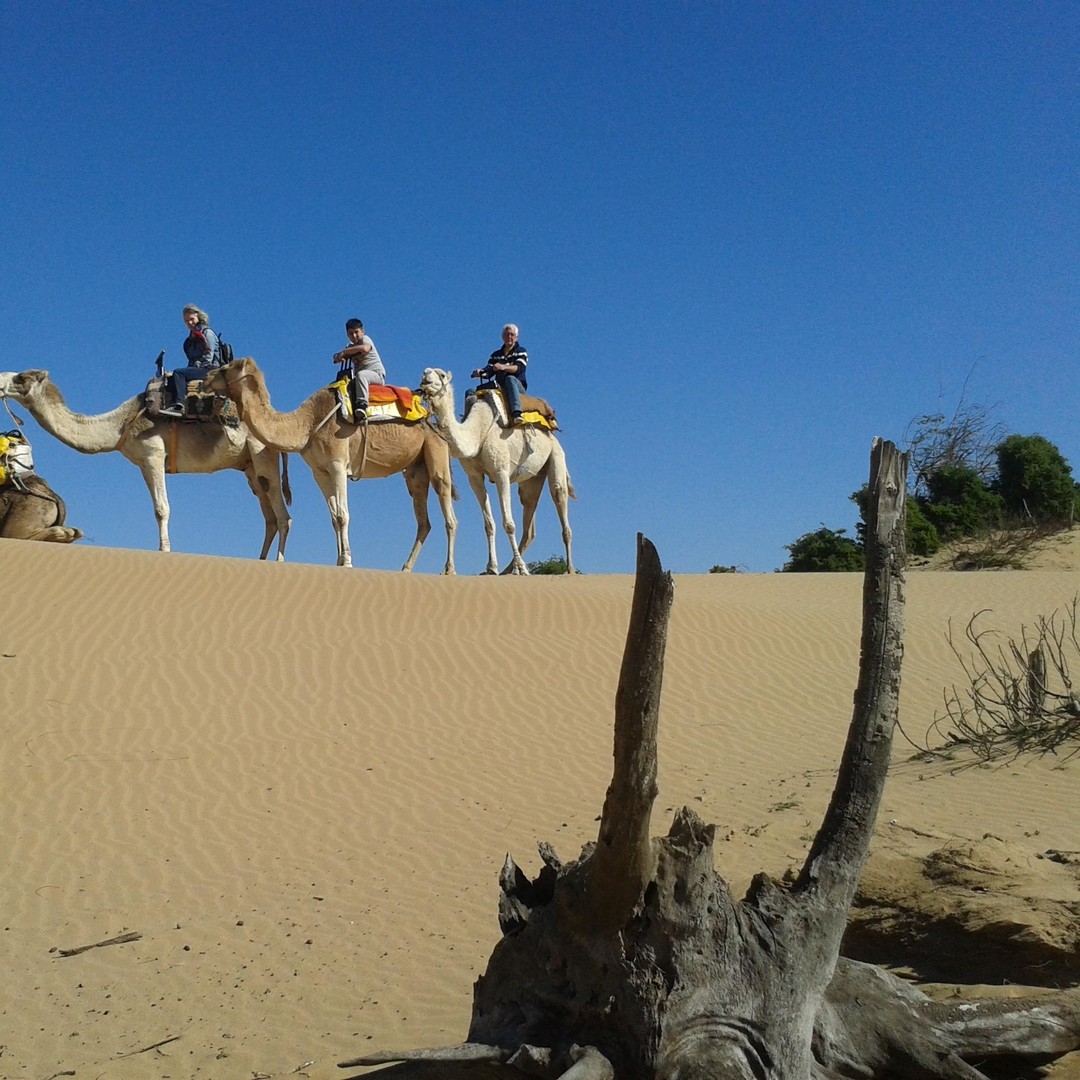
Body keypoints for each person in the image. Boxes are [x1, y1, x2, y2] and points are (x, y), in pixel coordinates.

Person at [472, 323, 528, 424]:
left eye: (512, 334)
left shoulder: (521, 351)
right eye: (507, 335)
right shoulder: (496, 355)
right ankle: (468, 417)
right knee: (471, 392)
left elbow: (519, 368)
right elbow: (489, 371)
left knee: (510, 379)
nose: (509, 337)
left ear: (516, 337)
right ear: (503, 337)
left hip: (516, 386)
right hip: (499, 387)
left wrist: (503, 367)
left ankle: (516, 412)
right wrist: (480, 373)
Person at [169, 305, 223, 408]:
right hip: (199, 368)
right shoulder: (191, 339)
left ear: (198, 317)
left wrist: (197, 366)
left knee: (179, 373)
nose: (189, 323)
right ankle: (172, 405)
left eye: (191, 319)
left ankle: (180, 404)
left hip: (210, 370)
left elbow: (209, 355)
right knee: (171, 379)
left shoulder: (207, 333)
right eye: (186, 321)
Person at [333, 318, 386, 421]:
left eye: (356, 332)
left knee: (361, 375)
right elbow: (336, 359)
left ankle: (362, 405)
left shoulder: (365, 339)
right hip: (360, 379)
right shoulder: (350, 347)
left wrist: (345, 352)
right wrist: (339, 357)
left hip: (376, 375)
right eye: (351, 333)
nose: (354, 336)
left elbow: (365, 348)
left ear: (362, 331)